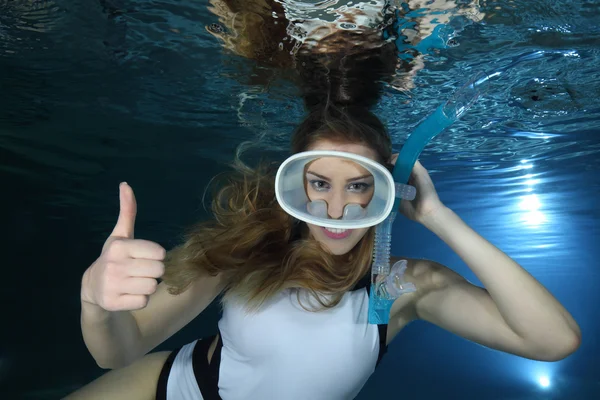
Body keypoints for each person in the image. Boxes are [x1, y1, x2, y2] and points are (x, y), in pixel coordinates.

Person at [66, 101, 581, 399]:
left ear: (385, 188)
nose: (336, 211)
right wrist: (96, 303)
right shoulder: (250, 251)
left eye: (359, 186)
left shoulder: (402, 287)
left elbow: (552, 341)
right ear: (296, 186)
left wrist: (440, 218)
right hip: (166, 387)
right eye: (319, 184)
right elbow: (118, 352)